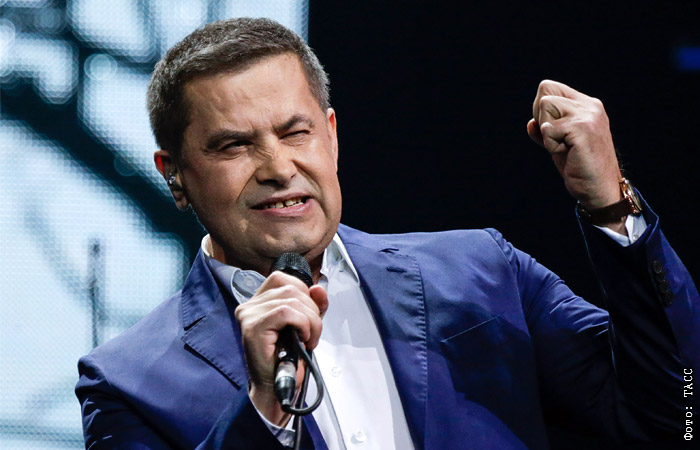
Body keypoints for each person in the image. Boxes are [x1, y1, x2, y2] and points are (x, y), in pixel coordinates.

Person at [75, 17, 699, 450]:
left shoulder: (484, 271)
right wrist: (264, 412)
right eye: (234, 145)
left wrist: (611, 207)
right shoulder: (128, 384)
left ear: (331, 135)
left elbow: (678, 414)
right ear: (175, 176)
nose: (278, 167)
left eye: (296, 132)